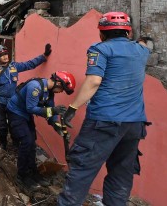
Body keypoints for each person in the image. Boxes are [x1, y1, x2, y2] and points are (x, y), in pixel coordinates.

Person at [58, 12, 151, 206]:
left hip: (104, 122)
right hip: (134, 124)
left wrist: (73, 108)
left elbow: (93, 81)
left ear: (102, 33)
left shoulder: (100, 49)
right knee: (121, 173)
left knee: (82, 169)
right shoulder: (142, 51)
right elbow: (144, 44)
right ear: (128, 31)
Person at [6, 71, 75, 189]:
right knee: (26, 142)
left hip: (26, 115)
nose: (61, 91)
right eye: (62, 89)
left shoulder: (49, 92)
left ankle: (33, 172)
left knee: (32, 143)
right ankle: (21, 176)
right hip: (16, 113)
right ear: (58, 83)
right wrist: (53, 111)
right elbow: (31, 108)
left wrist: (56, 125)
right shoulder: (35, 87)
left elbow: (50, 109)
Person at [0, 43, 51, 150]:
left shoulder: (14, 66)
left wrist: (44, 56)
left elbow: (29, 64)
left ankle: (15, 144)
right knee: (2, 124)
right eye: (2, 55)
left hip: (12, 102)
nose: (5, 56)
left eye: (6, 54)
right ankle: (3, 144)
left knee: (14, 123)